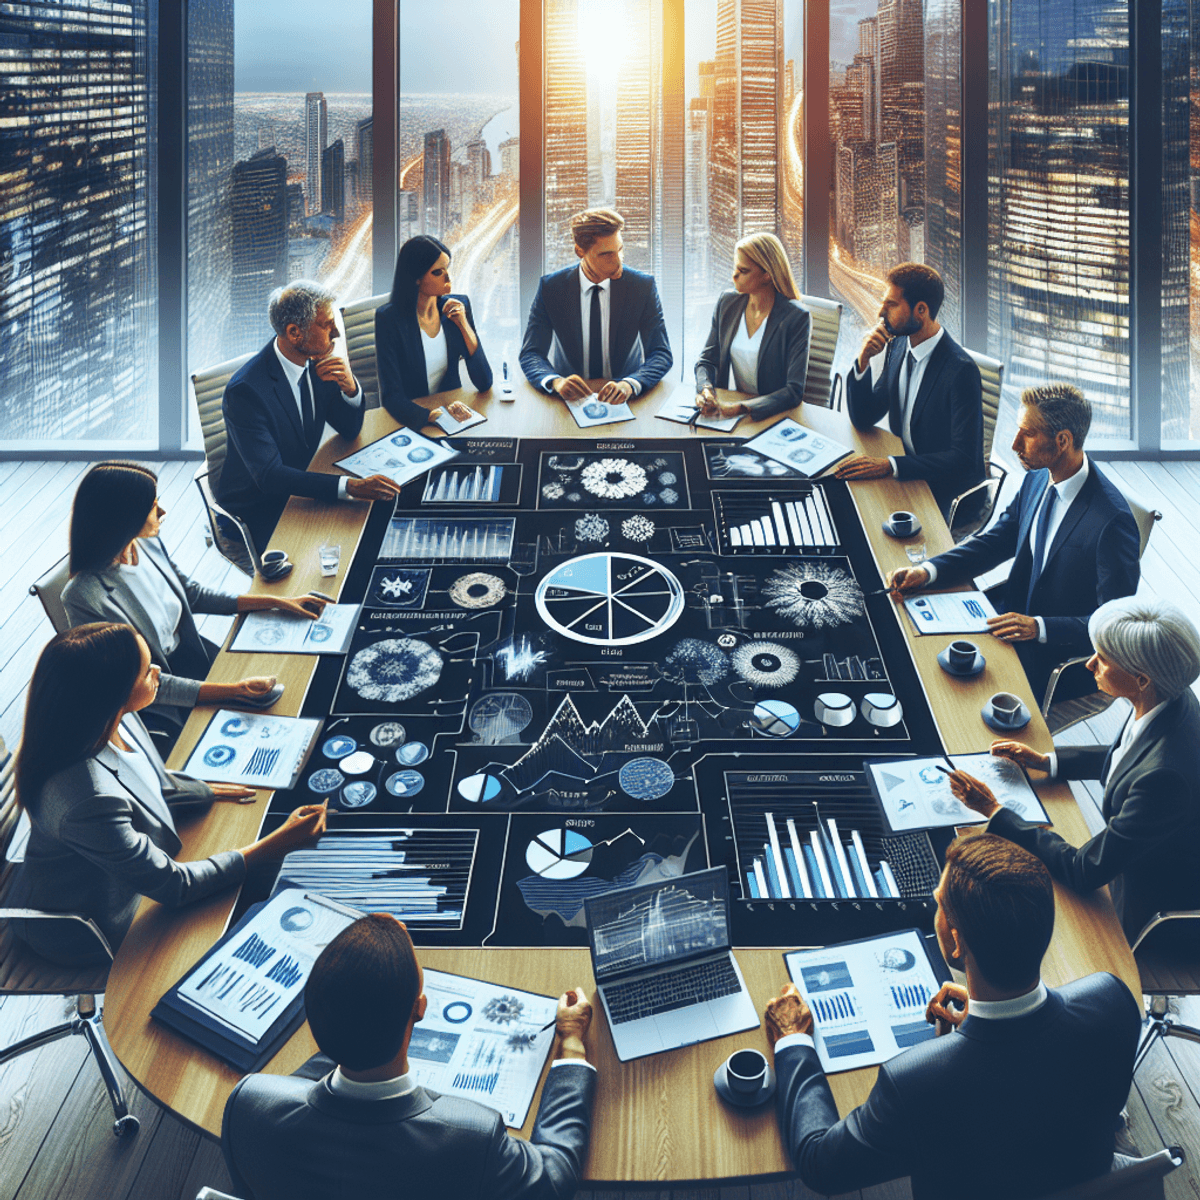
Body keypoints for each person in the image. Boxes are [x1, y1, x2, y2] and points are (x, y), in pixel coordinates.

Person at [765, 833, 1141, 1200]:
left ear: (957, 943)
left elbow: (819, 1165)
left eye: (939, 904)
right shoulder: (1111, 1000)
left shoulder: (914, 1082)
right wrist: (983, 1016)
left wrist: (792, 1038)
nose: (935, 911)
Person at [10, 623, 327, 965]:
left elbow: (147, 781)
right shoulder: (86, 799)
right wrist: (275, 844)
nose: (158, 671)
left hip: (122, 875)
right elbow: (176, 886)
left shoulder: (107, 718)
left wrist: (204, 790)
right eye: (147, 671)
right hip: (91, 925)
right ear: (113, 693)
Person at [222, 912, 597, 1200]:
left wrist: (357, 985)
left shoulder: (248, 1102)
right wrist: (572, 1045)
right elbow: (554, 1178)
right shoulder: (473, 1136)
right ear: (420, 1010)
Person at [949, 596, 1200, 949]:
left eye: (1104, 660)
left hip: (1152, 908)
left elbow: (1085, 871)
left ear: (1142, 679)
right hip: (1139, 850)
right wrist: (1047, 761)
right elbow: (1131, 756)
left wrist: (995, 812)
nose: (1090, 664)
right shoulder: (1170, 695)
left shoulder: (1167, 779)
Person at [887, 382, 1140, 702]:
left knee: (950, 694)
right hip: (1007, 619)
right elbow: (997, 541)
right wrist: (929, 571)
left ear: (1062, 441)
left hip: (1053, 660)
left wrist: (1039, 627)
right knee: (914, 648)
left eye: (1027, 434)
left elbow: (1115, 625)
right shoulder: (1038, 476)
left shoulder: (1112, 522)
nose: (1014, 444)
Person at [61, 461, 330, 756]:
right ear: (125, 517)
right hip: (160, 699)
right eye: (152, 506)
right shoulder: (83, 596)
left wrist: (277, 603)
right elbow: (138, 684)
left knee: (296, 682)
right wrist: (234, 691)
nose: (162, 512)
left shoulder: (145, 545)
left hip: (195, 656)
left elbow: (194, 595)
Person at [217, 280, 400, 552]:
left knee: (379, 524)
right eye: (327, 324)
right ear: (294, 333)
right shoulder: (245, 392)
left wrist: (351, 388)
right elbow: (270, 476)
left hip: (302, 484)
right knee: (345, 546)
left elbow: (349, 428)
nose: (337, 333)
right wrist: (349, 487)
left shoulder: (316, 361)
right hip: (260, 507)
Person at [836, 262, 984, 519]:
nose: (880, 312)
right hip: (906, 475)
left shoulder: (960, 371)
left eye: (891, 304)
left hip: (945, 492)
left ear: (921, 310)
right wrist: (863, 361)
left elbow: (963, 460)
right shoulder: (899, 346)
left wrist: (890, 465)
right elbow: (864, 417)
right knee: (846, 501)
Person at [519, 207, 673, 403]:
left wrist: (629, 384)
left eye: (620, 249)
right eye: (606, 254)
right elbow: (531, 353)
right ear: (580, 251)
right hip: (569, 402)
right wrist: (556, 382)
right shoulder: (552, 288)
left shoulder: (642, 287)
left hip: (627, 400)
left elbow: (661, 353)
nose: (618, 261)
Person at [375, 234, 493, 429]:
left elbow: (484, 381)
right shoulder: (389, 319)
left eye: (448, 269)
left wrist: (463, 325)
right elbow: (391, 396)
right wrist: (427, 417)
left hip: (452, 412)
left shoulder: (458, 307)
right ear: (417, 278)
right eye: (438, 272)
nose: (448, 278)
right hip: (415, 419)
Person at [694, 233, 810, 421]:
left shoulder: (795, 317)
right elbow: (707, 361)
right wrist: (706, 390)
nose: (734, 275)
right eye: (735, 268)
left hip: (774, 416)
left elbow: (794, 391)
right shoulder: (727, 303)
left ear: (767, 275)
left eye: (744, 270)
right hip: (733, 412)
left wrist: (740, 408)